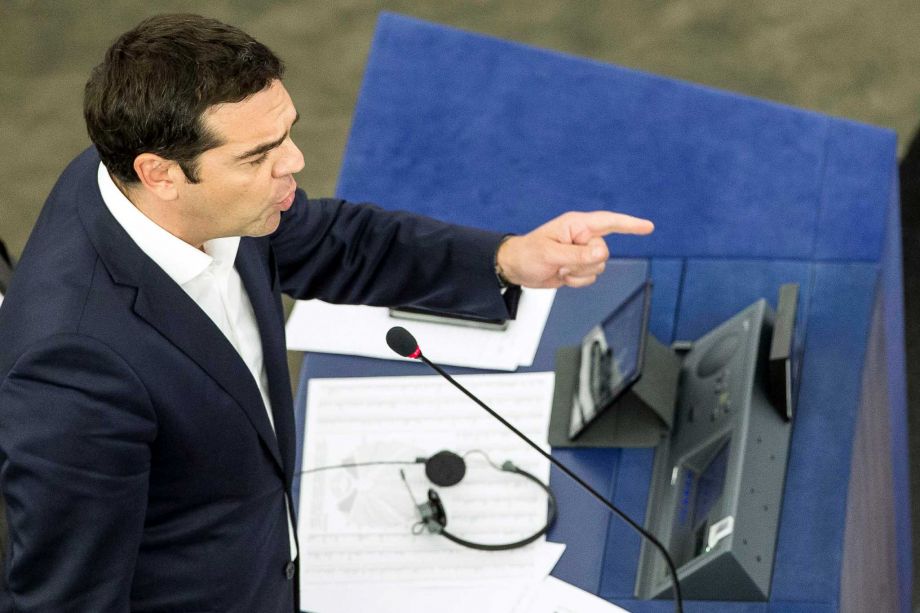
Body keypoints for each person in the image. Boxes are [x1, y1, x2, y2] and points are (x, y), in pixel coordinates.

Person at [0, 14, 653, 613]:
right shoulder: (74, 370)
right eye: (258, 156)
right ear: (161, 173)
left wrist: (510, 258)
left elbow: (328, 241)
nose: (294, 162)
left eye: (285, 133)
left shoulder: (156, 179)